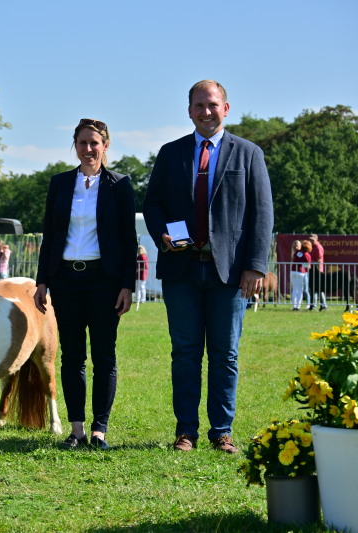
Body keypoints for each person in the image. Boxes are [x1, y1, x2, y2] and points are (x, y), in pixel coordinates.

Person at [143, 80, 273, 454]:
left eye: (212, 104)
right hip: (181, 270)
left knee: (225, 354)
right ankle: (186, 432)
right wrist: (162, 234)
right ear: (189, 111)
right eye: (199, 106)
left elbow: (262, 215)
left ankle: (222, 432)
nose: (206, 111)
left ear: (226, 108)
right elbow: (153, 204)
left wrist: (255, 266)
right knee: (184, 353)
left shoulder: (249, 154)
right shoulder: (170, 154)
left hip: (229, 275)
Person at [33, 118, 136, 450]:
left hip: (104, 281)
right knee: (72, 357)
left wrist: (127, 285)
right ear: (74, 146)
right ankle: (76, 430)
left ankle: (99, 431)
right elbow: (50, 234)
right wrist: (42, 282)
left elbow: (128, 239)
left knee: (104, 356)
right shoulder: (60, 184)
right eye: (82, 143)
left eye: (95, 143)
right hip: (65, 279)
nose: (89, 149)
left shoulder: (120, 185)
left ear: (106, 146)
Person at [290, 240, 312, 311]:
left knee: (294, 289)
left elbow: (293, 259)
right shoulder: (307, 255)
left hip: (293, 271)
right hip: (301, 272)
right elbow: (308, 266)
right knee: (300, 290)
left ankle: (294, 306)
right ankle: (298, 307)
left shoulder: (297, 253)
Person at [308, 233, 327, 311]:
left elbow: (319, 260)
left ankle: (323, 305)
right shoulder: (312, 247)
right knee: (314, 288)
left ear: (316, 240)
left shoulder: (318, 247)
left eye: (312, 240)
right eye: (310, 240)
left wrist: (310, 261)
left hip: (317, 271)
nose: (311, 241)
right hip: (313, 270)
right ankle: (315, 305)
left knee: (319, 288)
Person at [135, 244, 149, 310]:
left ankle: (140, 299)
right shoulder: (142, 256)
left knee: (140, 287)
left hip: (141, 275)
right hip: (140, 275)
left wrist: (138, 270)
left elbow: (145, 266)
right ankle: (141, 299)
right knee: (141, 287)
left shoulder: (142, 257)